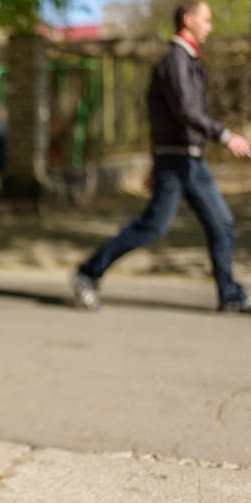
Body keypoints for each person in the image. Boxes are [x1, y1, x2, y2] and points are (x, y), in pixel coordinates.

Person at [72, 1, 251, 312]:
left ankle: (230, 294)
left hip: (190, 160)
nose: (210, 26)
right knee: (152, 227)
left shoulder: (188, 60)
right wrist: (224, 135)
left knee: (222, 224)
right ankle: (87, 273)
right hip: (177, 162)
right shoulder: (175, 61)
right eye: (206, 20)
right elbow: (185, 111)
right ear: (187, 20)